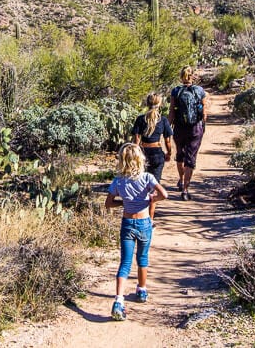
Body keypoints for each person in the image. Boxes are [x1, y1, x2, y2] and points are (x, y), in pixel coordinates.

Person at [105, 143, 168, 321]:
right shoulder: (147, 178)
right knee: (143, 258)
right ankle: (142, 290)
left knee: (125, 262)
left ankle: (118, 300)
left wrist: (123, 203)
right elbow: (164, 194)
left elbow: (108, 203)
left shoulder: (118, 180)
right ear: (140, 159)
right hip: (144, 222)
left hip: (127, 223)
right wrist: (150, 199)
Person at [168, 66, 209, 201]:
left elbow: (172, 112)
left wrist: (168, 127)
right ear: (193, 76)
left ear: (181, 76)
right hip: (195, 129)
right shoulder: (200, 90)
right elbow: (204, 112)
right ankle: (185, 190)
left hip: (179, 128)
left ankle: (180, 180)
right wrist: (202, 126)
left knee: (180, 155)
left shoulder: (176, 91)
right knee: (190, 158)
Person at [131, 92, 172, 220]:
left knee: (140, 184)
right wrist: (169, 153)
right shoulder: (163, 120)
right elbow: (167, 140)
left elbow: (136, 140)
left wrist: (135, 155)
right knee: (154, 187)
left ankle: (139, 215)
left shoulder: (140, 119)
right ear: (160, 104)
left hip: (143, 154)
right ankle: (150, 219)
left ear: (147, 104)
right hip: (157, 154)